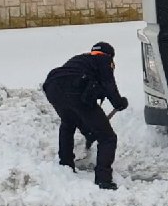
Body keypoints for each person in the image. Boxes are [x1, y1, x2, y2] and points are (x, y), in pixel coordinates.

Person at [42, 42, 128, 190]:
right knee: (107, 137)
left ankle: (65, 165)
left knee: (68, 122)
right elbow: (109, 85)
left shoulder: (81, 59)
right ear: (110, 56)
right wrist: (119, 103)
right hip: (74, 90)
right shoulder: (104, 60)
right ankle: (104, 180)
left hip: (52, 87)